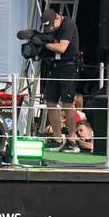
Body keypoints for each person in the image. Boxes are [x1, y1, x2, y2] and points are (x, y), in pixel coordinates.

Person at [40, 9, 81, 153]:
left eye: (52, 26)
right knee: (50, 101)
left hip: (69, 66)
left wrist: (43, 44)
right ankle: (57, 138)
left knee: (67, 103)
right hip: (55, 65)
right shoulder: (52, 28)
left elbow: (62, 47)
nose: (52, 29)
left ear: (58, 18)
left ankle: (72, 140)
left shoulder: (68, 25)